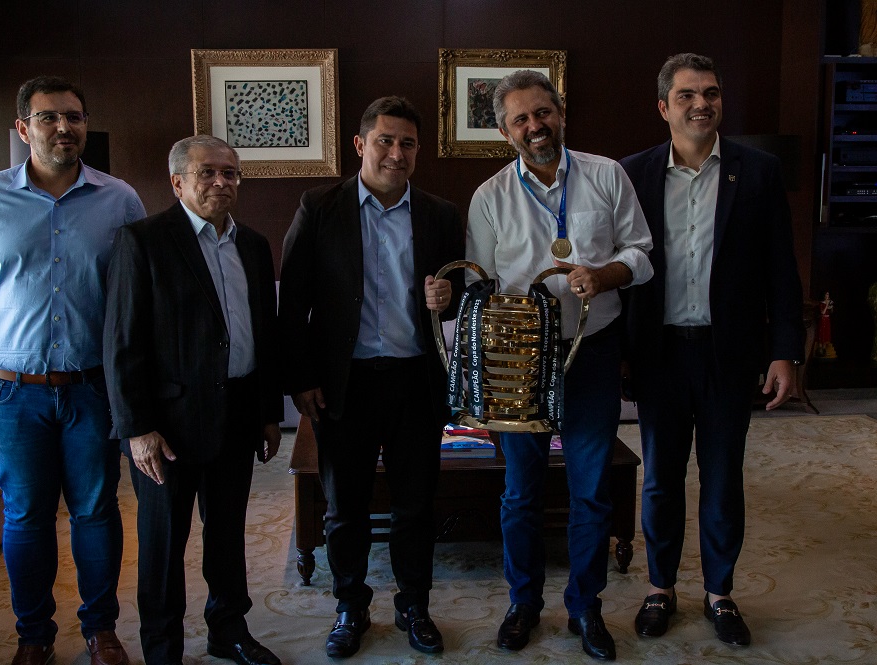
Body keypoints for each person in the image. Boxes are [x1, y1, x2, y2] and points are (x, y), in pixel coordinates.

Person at [0, 76, 145, 665]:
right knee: (26, 517)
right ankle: (34, 636)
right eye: (48, 117)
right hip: (10, 394)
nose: (63, 127)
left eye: (73, 117)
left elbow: (136, 297)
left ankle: (101, 630)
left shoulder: (120, 200)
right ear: (23, 129)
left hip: (93, 389)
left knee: (96, 512)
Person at [463, 69, 654, 661]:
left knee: (591, 491)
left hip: (592, 352)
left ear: (561, 113)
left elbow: (641, 254)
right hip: (519, 362)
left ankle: (585, 606)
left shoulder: (607, 174)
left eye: (542, 112)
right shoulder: (489, 196)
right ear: (505, 132)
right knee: (520, 493)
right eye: (520, 119)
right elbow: (479, 285)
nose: (534, 125)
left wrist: (604, 275)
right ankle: (523, 603)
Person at [620, 53, 804, 647]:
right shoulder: (632, 175)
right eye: (688, 95)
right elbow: (618, 268)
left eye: (712, 93)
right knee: (660, 478)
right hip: (660, 353)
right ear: (663, 107)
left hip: (729, 353)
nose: (702, 103)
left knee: (724, 477)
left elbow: (781, 269)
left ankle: (720, 593)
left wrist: (785, 352)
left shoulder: (759, 171)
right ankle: (660, 588)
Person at [278, 96, 464, 659]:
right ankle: (350, 605)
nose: (396, 153)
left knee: (415, 505)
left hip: (415, 382)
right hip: (345, 384)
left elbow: (459, 297)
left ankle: (414, 604)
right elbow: (294, 302)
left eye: (408, 143)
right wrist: (300, 378)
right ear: (361, 144)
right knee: (344, 508)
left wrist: (449, 297)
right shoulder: (319, 206)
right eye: (385, 141)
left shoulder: (440, 214)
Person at [103, 135, 284, 665]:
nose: (221, 182)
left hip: (237, 416)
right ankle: (163, 649)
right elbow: (121, 343)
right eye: (207, 173)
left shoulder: (253, 244)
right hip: (167, 429)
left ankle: (228, 631)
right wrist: (136, 429)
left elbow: (264, 335)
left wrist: (268, 414)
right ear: (177, 182)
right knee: (163, 545)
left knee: (227, 537)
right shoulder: (142, 241)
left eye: (230, 173)